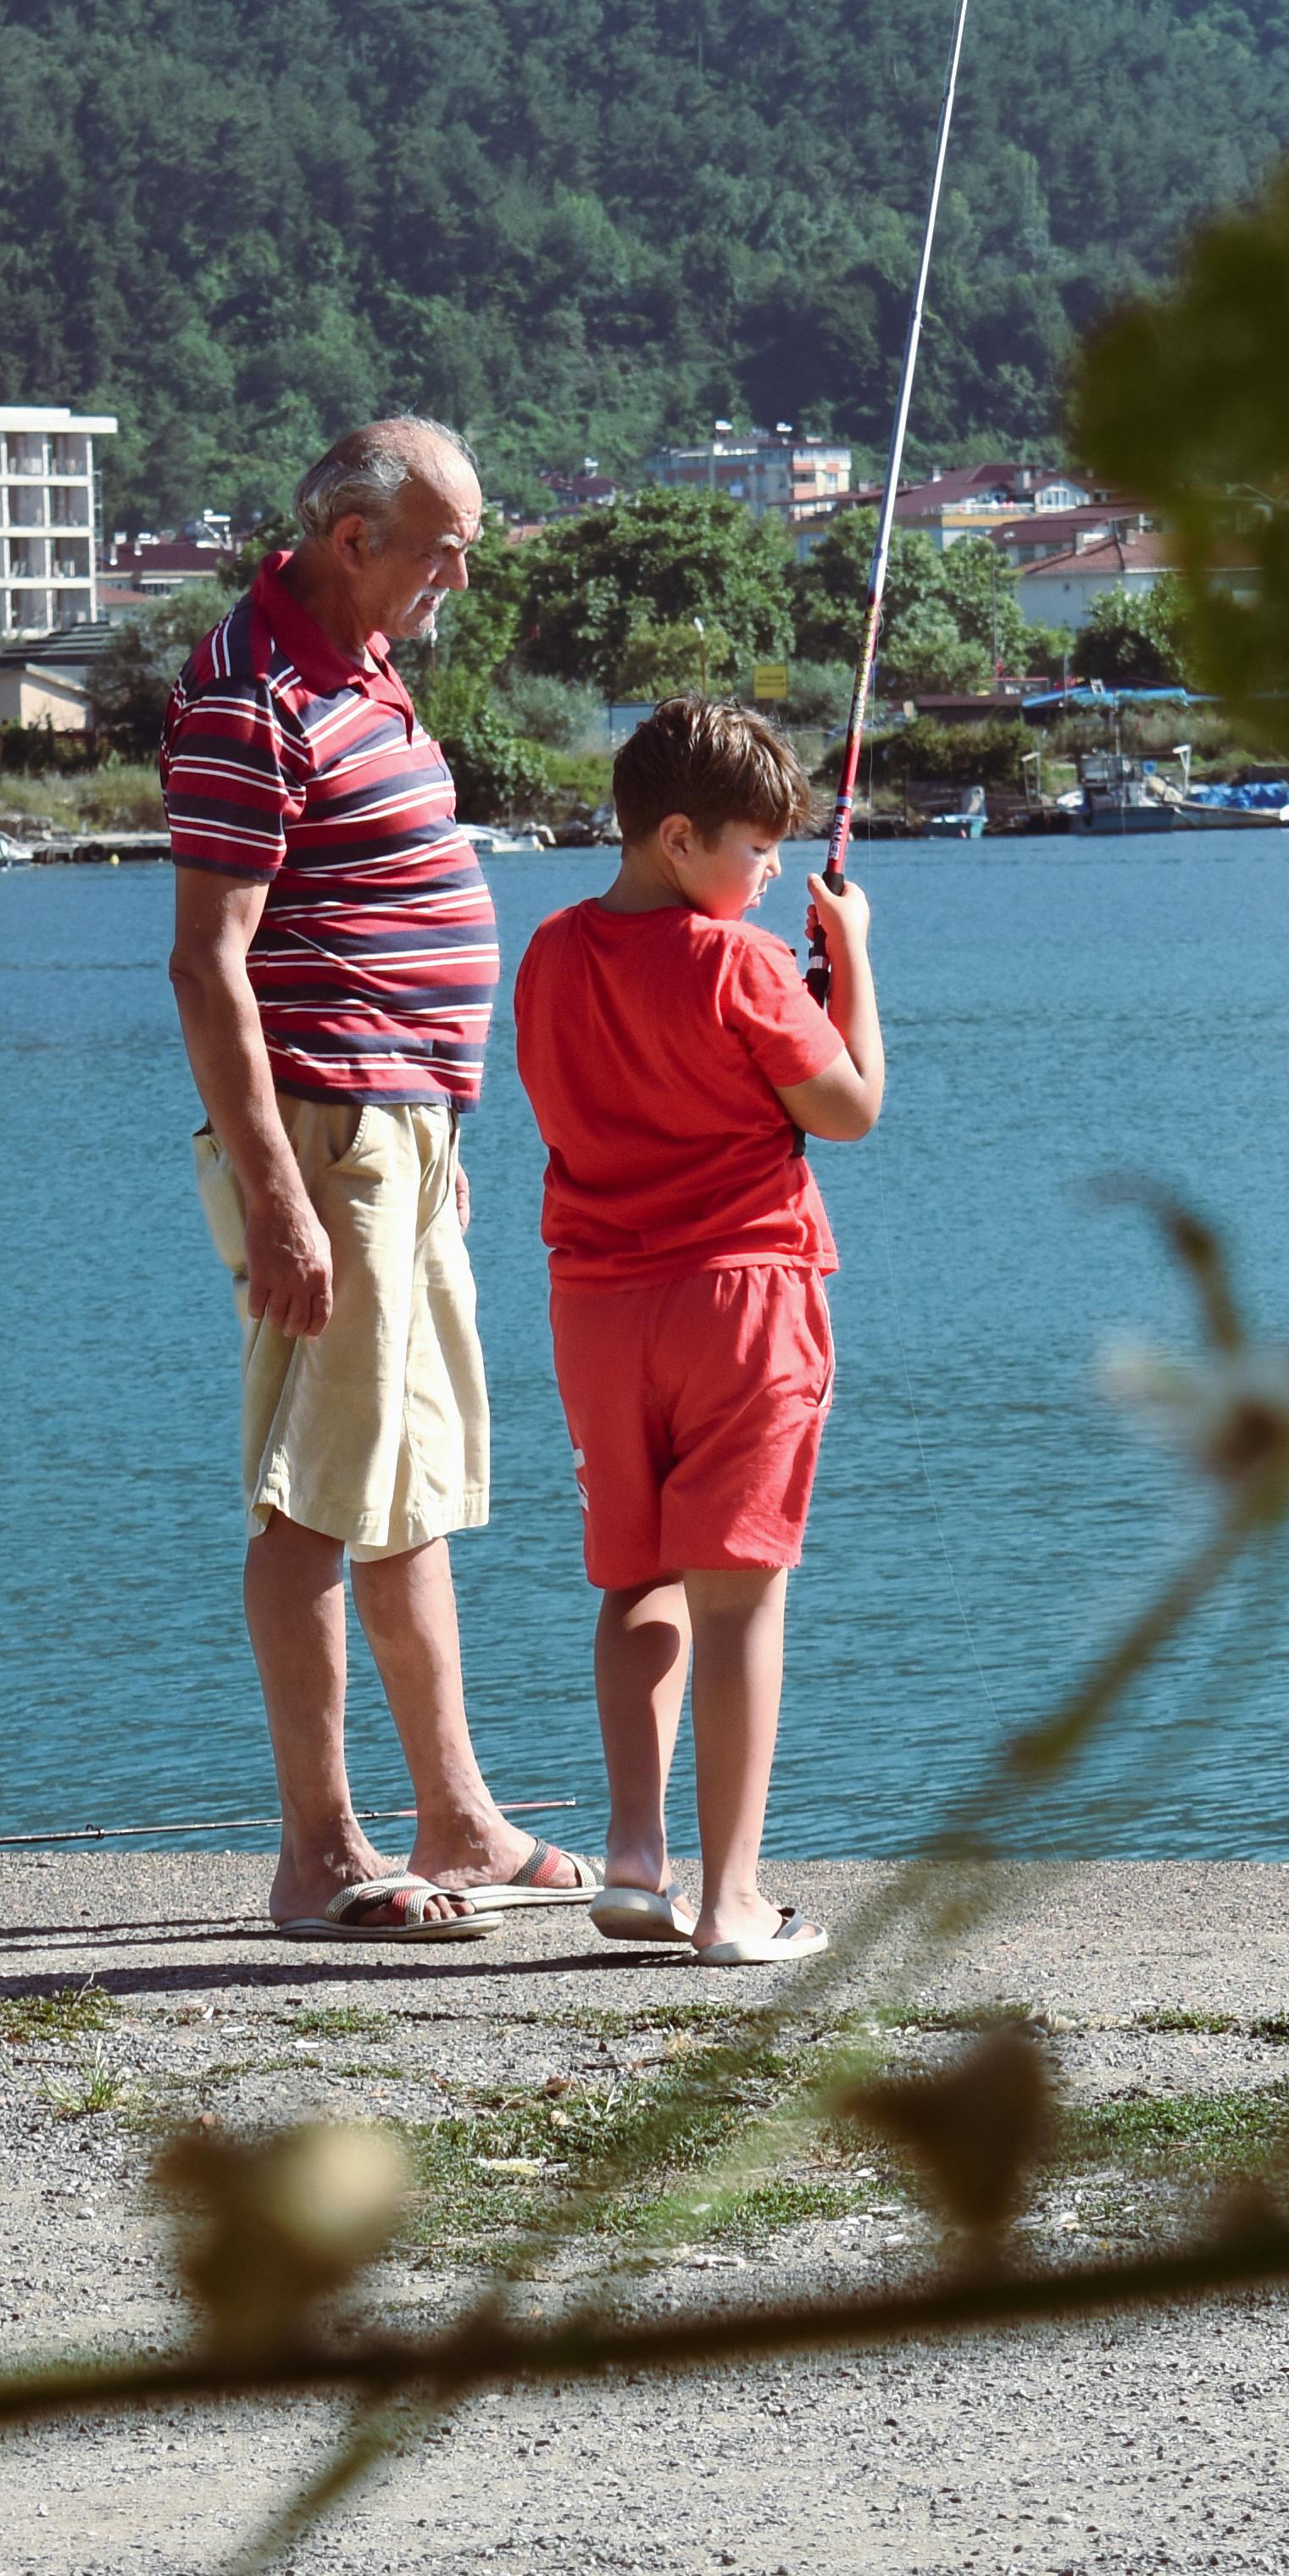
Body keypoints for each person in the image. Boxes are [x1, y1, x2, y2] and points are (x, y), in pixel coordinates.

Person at [164, 416, 599, 1939]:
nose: (461, 575)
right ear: (355, 540)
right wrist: (287, 1194)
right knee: (317, 1494)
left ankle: (462, 1821)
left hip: (398, 1132)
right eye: (445, 546)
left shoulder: (361, 660)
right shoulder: (250, 693)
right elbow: (210, 966)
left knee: (405, 1485)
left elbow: (368, 919)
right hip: (327, 1135)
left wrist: (439, 1136)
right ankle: (322, 1856)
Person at [510, 697, 886, 1967]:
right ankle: (730, 1904)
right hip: (740, 1302)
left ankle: (632, 1854)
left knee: (632, 1578)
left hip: (598, 1311)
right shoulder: (743, 965)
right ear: (678, 838)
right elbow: (849, 1108)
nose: (775, 872)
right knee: (740, 1603)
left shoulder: (551, 954)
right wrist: (855, 965)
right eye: (755, 849)